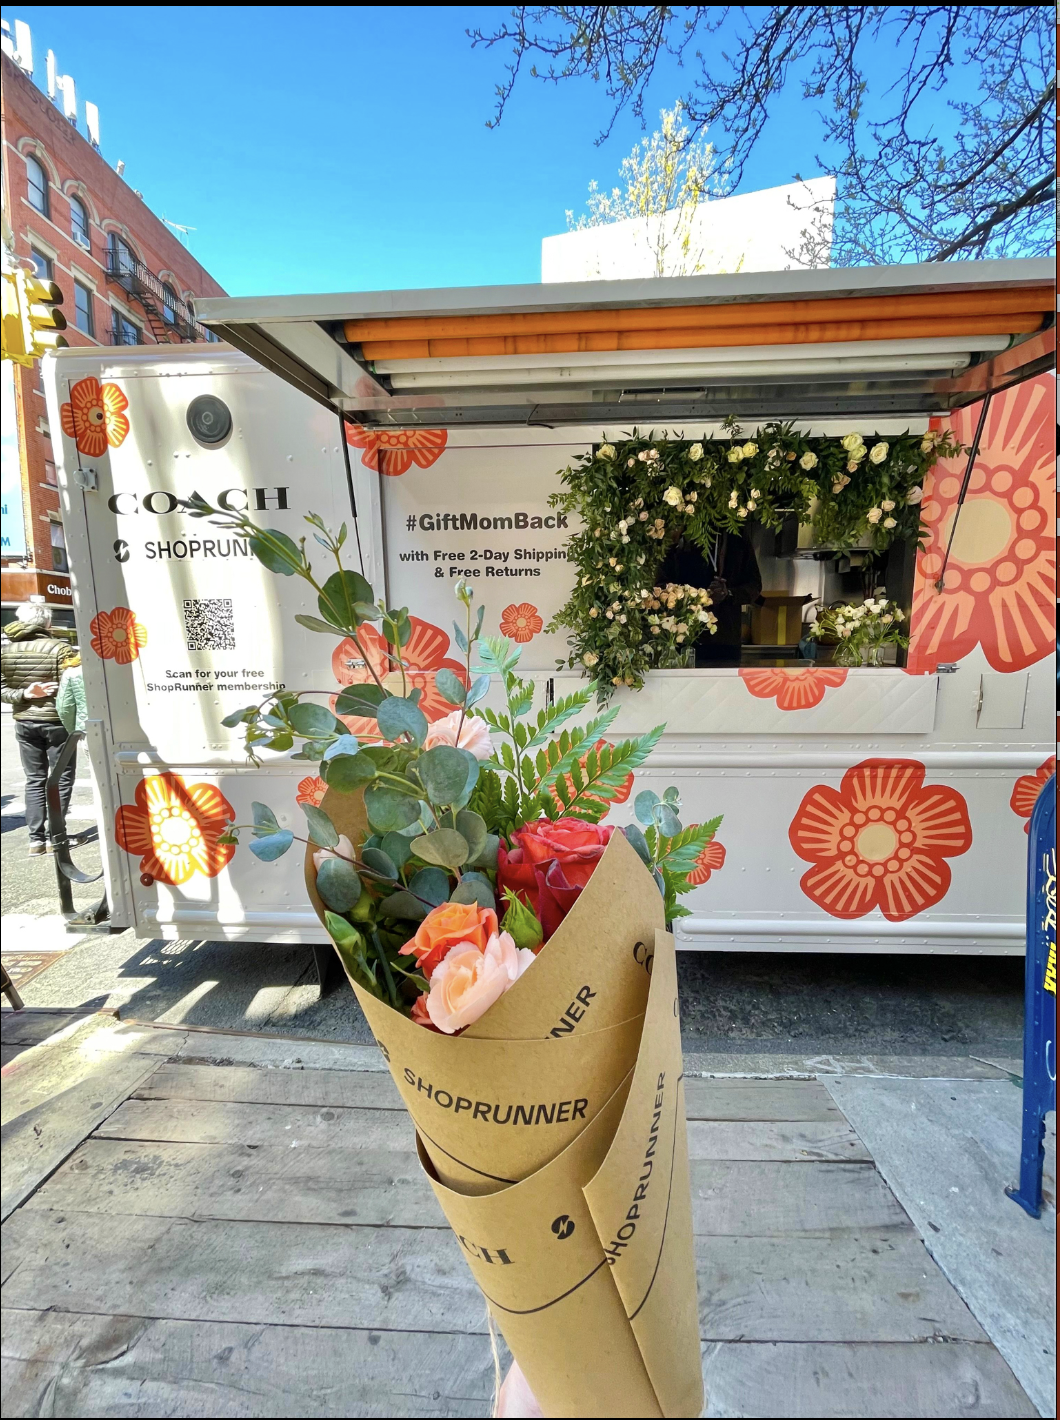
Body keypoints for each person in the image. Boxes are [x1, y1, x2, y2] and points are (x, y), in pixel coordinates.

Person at [1, 601, 78, 855]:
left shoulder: (6, 651)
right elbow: (73, 687)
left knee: (34, 779)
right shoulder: (60, 649)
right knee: (61, 778)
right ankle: (57, 836)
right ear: (47, 623)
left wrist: (25, 694)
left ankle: (36, 840)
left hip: (25, 722)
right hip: (57, 722)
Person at [658, 529, 763, 665]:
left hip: (726, 638)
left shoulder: (736, 535)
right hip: (683, 637)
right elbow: (660, 586)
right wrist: (690, 597)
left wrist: (729, 594)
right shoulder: (682, 534)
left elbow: (754, 585)